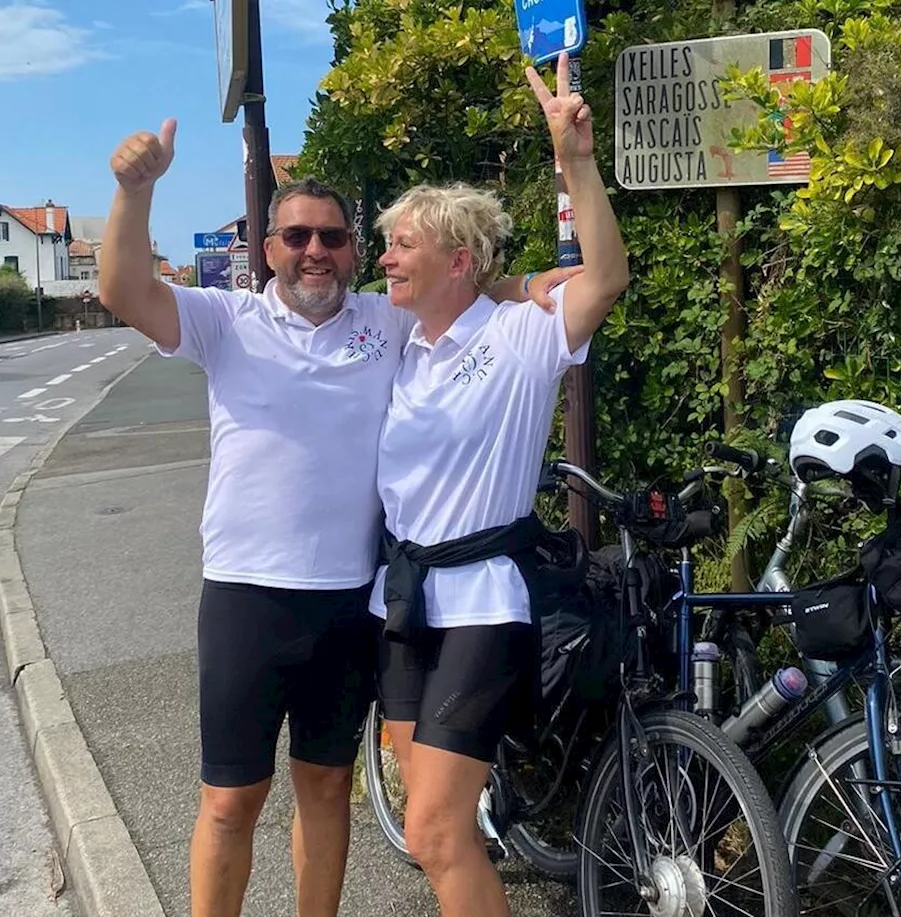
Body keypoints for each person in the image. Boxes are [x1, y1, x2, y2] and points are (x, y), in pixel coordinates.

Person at [98, 122, 576, 917]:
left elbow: (458, 288)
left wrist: (526, 285)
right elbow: (123, 289)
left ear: (353, 250)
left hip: (353, 599)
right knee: (228, 801)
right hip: (246, 597)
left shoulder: (383, 321)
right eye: (296, 236)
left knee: (324, 788)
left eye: (332, 236)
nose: (314, 250)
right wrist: (135, 190)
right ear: (268, 248)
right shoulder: (226, 321)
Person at [370, 51, 630, 917]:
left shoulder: (520, 336)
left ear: (457, 257)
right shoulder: (399, 340)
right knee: (431, 831)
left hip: (481, 604)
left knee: (440, 831)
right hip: (403, 601)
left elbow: (605, 280)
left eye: (400, 244)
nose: (383, 258)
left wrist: (577, 160)